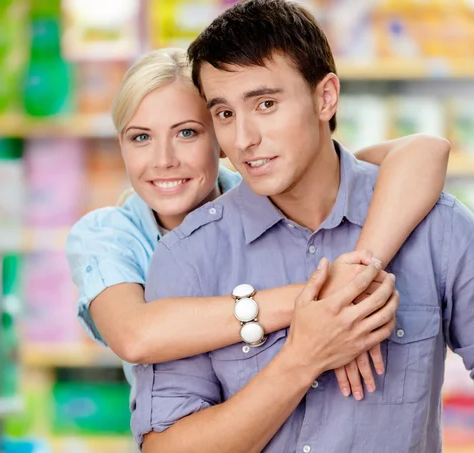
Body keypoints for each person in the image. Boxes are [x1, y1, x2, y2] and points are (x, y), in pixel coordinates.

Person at [131, 1, 473, 452]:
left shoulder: (436, 225)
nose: (244, 139)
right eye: (225, 114)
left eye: (266, 103)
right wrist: (303, 358)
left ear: (325, 97)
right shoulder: (188, 255)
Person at [66, 46, 450, 401]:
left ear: (221, 135)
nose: (163, 159)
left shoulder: (267, 189)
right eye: (140, 137)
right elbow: (136, 335)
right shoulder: (108, 236)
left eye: (187, 133)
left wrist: (361, 269)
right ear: (121, 145)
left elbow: (424, 151)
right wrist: (329, 295)